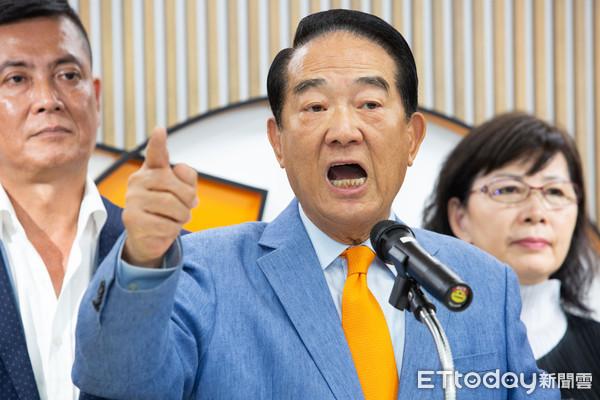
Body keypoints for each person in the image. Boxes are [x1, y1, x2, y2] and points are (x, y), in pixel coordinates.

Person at [73, 10, 557, 399]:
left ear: (412, 138)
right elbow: (117, 384)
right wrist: (142, 260)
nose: (343, 130)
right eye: (315, 107)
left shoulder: (483, 284)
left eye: (369, 104)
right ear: (278, 142)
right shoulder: (204, 274)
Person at [423, 112, 600, 399]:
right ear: (460, 217)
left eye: (555, 192)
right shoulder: (419, 340)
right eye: (508, 189)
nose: (536, 213)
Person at [0, 1, 127, 399]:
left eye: (68, 75)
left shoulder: (170, 258)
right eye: (17, 79)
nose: (48, 99)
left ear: (96, 95)